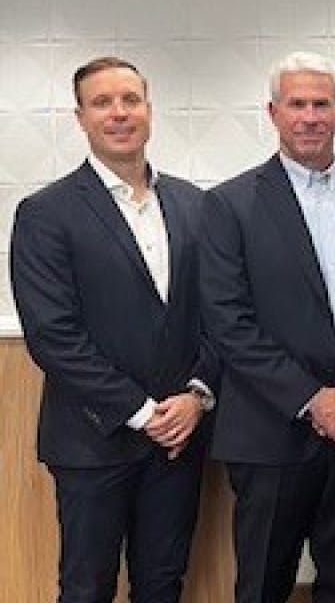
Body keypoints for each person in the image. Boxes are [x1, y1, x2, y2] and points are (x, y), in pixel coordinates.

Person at [10, 56, 218, 603]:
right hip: (91, 440)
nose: (119, 113)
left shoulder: (196, 206)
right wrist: (145, 412)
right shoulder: (45, 213)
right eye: (102, 103)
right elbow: (54, 337)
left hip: (180, 438)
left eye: (131, 99)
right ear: (80, 117)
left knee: (163, 584)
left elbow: (219, 317)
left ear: (149, 110)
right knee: (86, 588)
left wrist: (197, 397)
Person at [200, 51, 335, 603]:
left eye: (321, 104)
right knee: (263, 585)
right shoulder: (227, 205)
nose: (310, 116)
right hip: (271, 435)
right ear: (273, 112)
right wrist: (312, 398)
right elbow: (227, 321)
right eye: (297, 104)